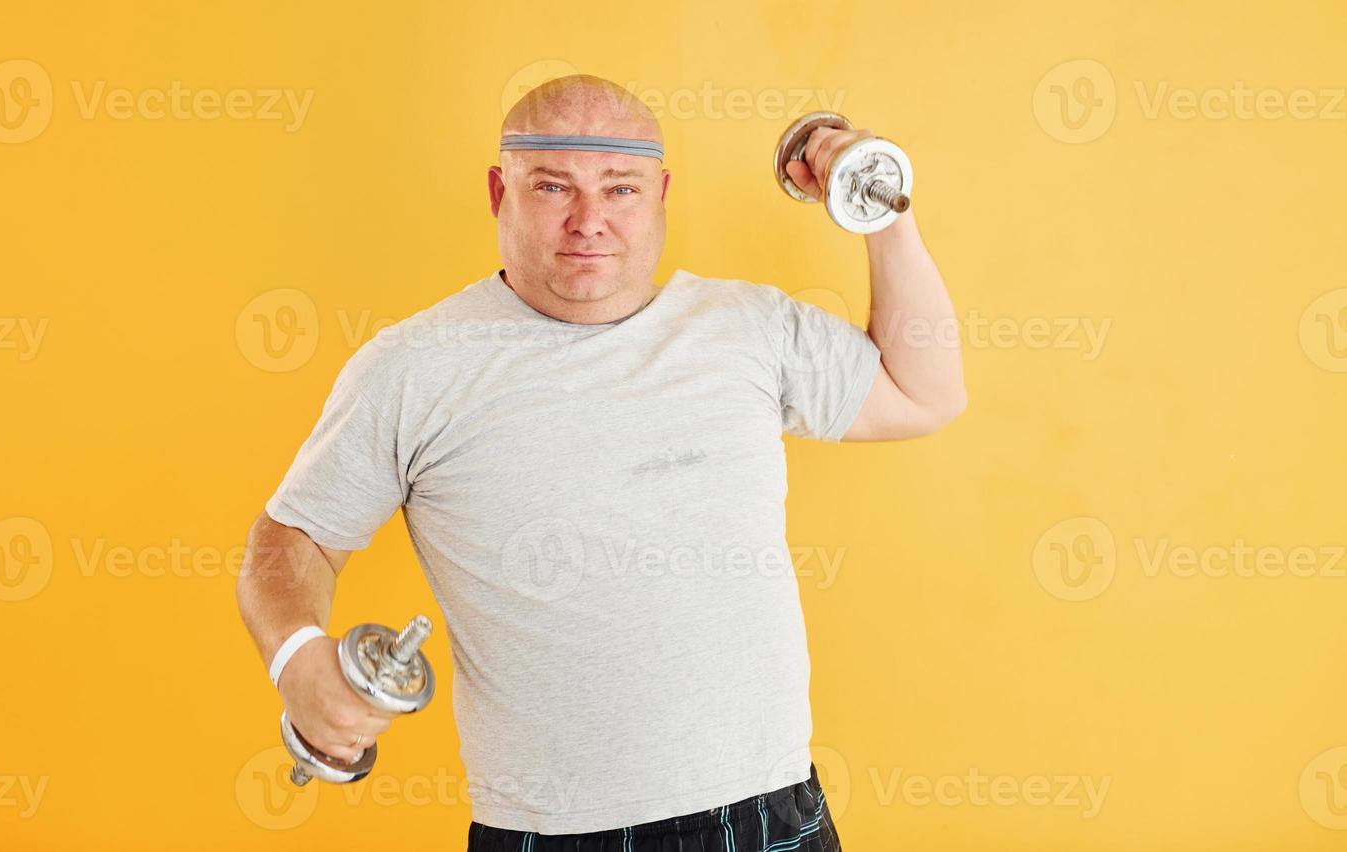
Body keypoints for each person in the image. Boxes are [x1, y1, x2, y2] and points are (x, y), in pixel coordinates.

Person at [236, 74, 966, 850]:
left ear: (660, 195)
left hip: (767, 813)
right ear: (498, 191)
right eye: (553, 186)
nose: (589, 221)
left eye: (620, 189)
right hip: (553, 834)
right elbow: (292, 541)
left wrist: (879, 197)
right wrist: (297, 659)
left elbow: (923, 393)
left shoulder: (745, 328)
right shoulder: (414, 367)